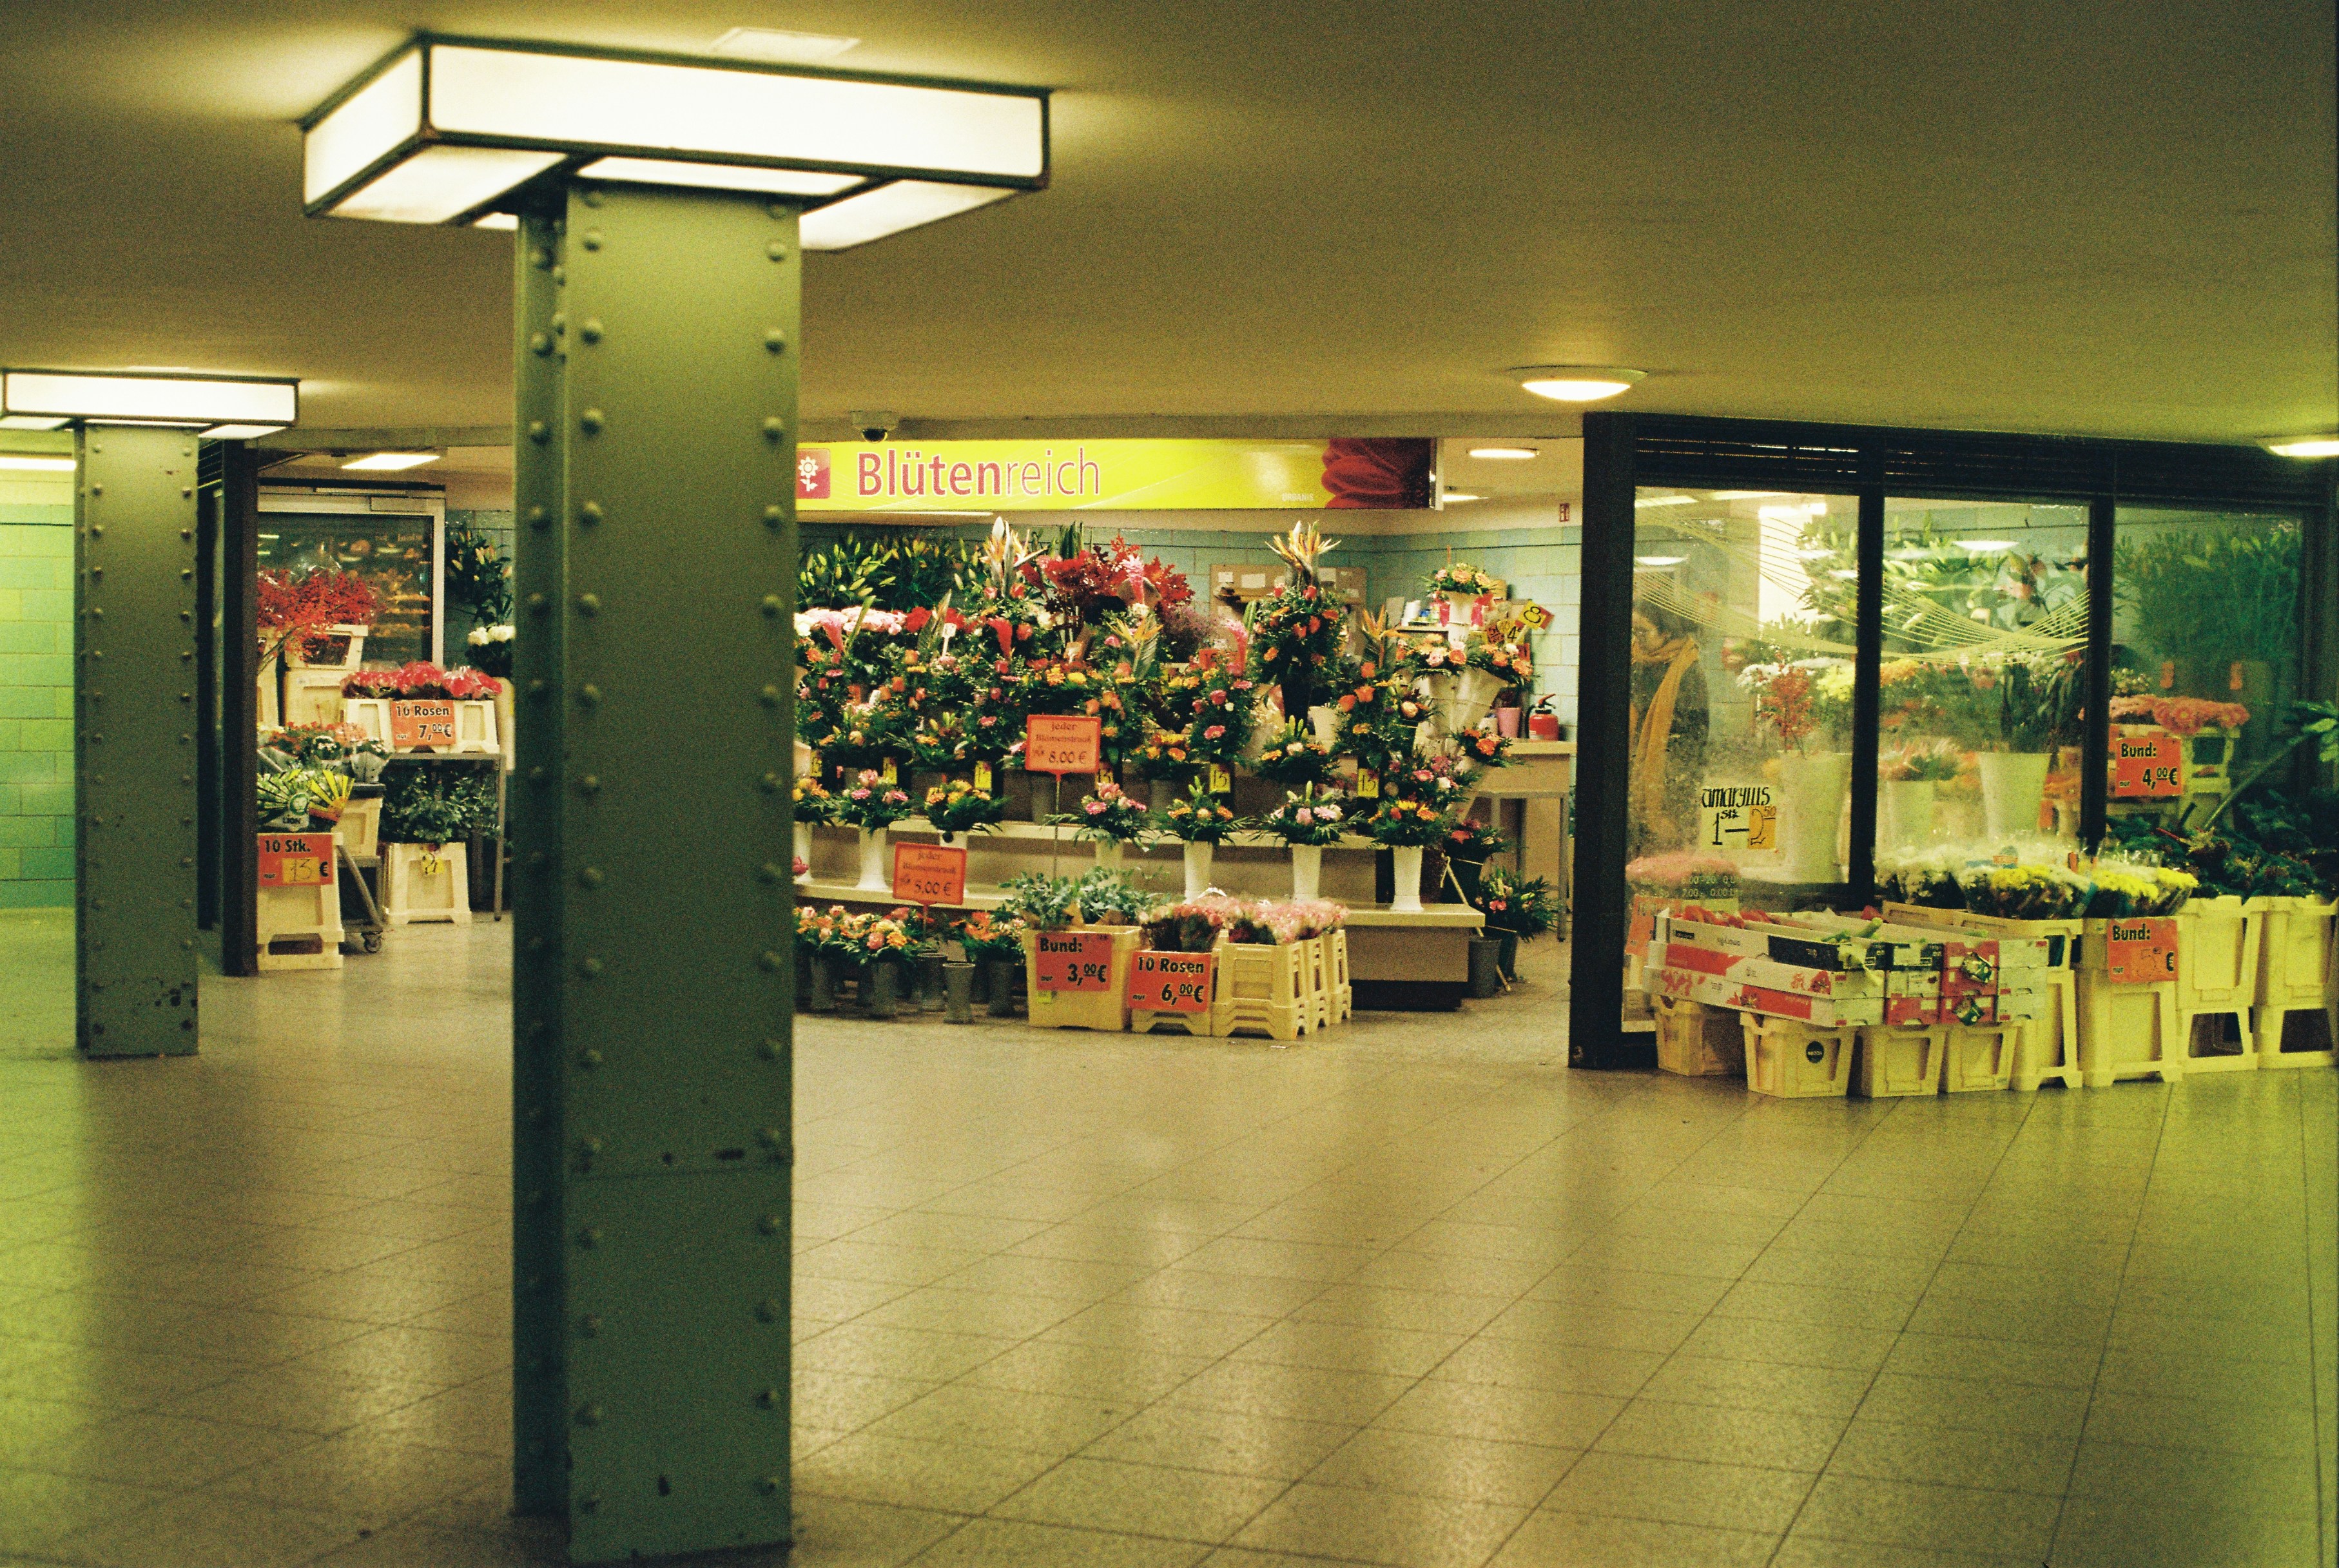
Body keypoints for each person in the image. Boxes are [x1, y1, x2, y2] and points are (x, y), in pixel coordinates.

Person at [1627, 598, 1707, 853]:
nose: (1637, 639)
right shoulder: (1635, 662)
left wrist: (1670, 798)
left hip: (1669, 781)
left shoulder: (1687, 670)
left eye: (1643, 632)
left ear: (1667, 632)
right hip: (1633, 772)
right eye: (1634, 632)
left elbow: (1691, 741)